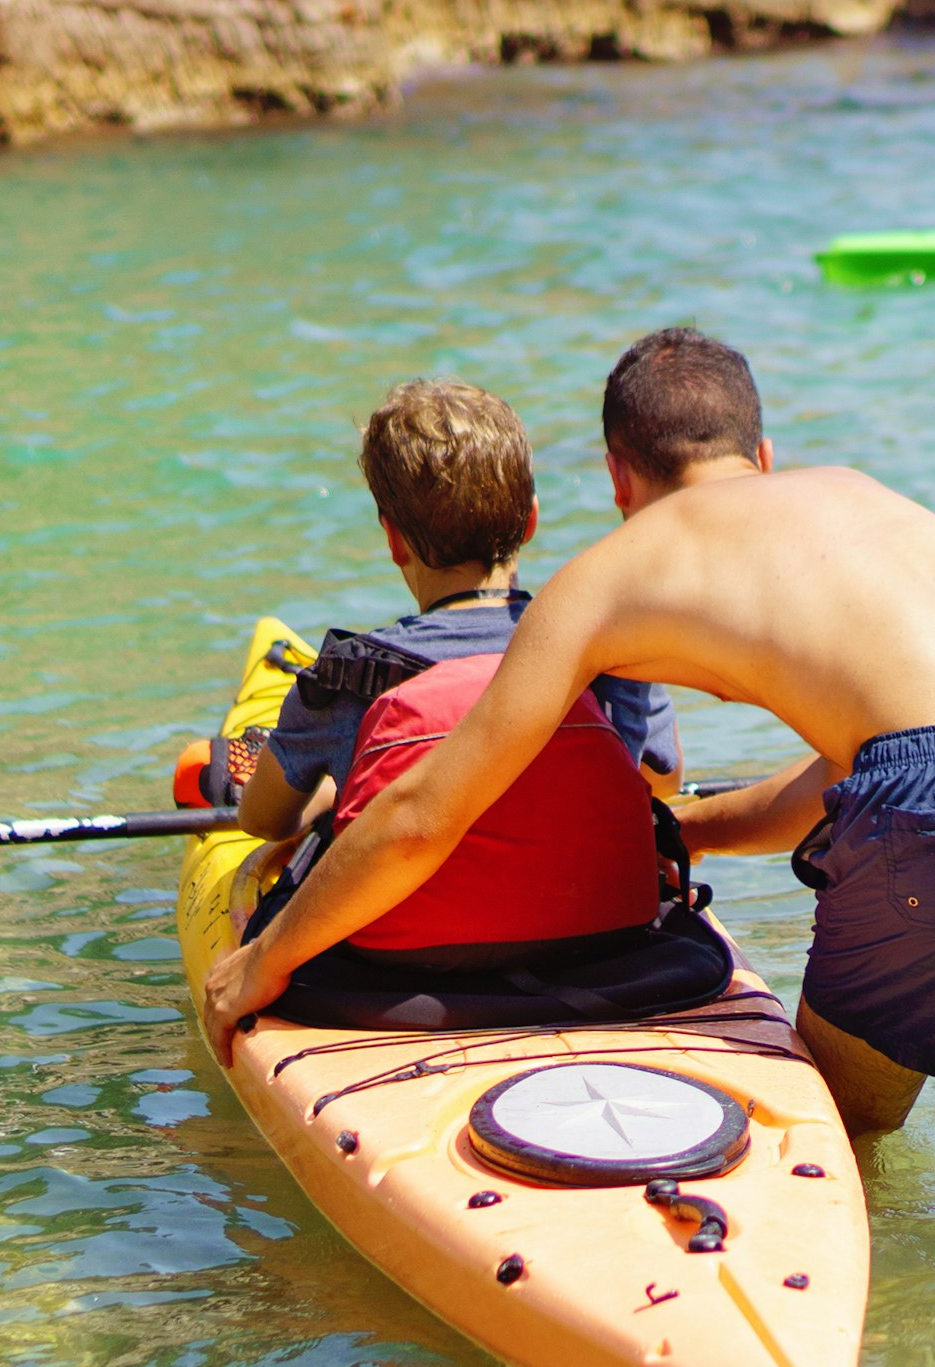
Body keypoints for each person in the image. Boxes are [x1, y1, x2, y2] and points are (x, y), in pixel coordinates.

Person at [204, 329, 935, 1147]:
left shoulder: (613, 577)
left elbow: (423, 815)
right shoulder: (862, 495)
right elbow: (881, 757)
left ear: (619, 475)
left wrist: (267, 957)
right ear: (764, 453)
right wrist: (692, 831)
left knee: (838, 1145)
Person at [223, 379, 676, 971]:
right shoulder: (609, 653)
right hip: (603, 948)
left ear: (392, 538)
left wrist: (334, 792)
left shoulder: (347, 679)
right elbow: (659, 779)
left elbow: (262, 820)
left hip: (405, 970)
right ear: (532, 519)